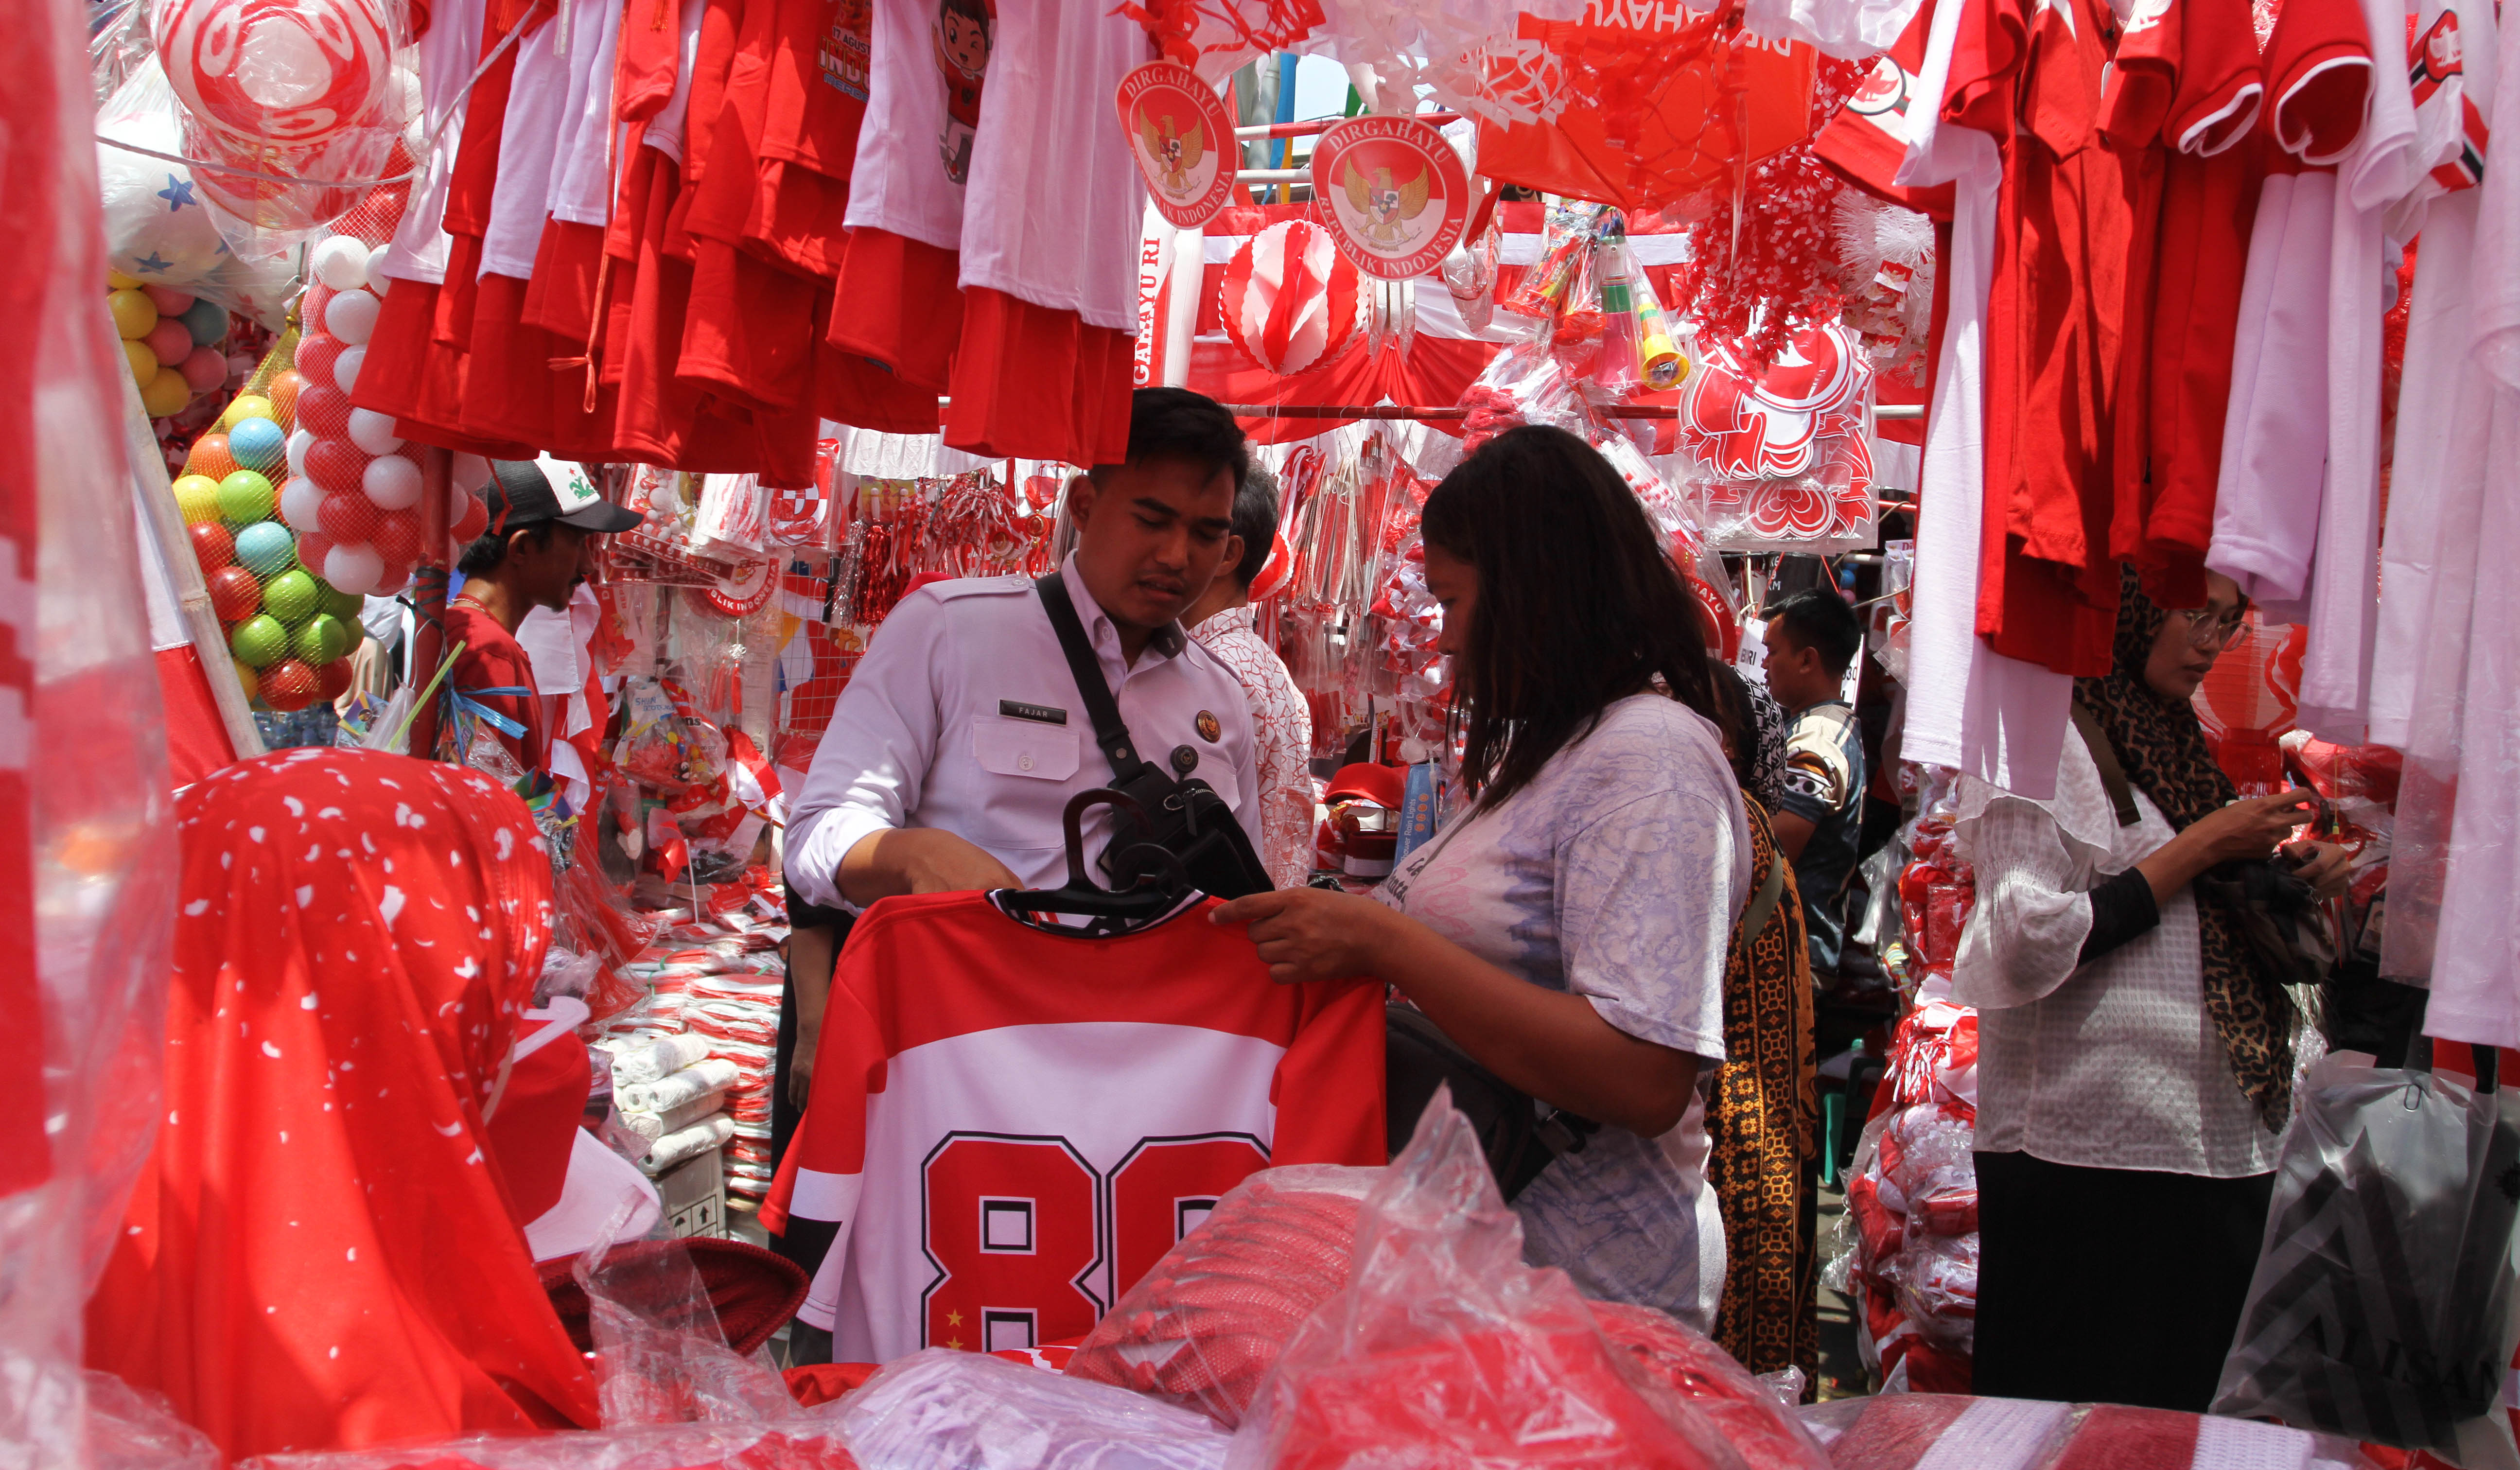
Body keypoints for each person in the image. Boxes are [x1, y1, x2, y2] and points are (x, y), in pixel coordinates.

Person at [1213, 425, 1749, 1332]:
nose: (1447, 638)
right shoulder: (1559, 750)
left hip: (1583, 1292)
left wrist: (1385, 941)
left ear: (1536, 592)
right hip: (1492, 1273)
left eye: (1456, 602)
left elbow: (1643, 1074)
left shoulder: (1647, 762)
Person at [88, 749, 603, 1459]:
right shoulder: (403, 1374)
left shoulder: (71, 1253)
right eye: (497, 988)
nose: (510, 1031)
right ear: (411, 990)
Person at [1954, 568, 2350, 1411]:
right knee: (2072, 1424)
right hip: (2087, 1159)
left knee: (2178, 1425)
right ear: (2127, 609)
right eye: (2192, 616)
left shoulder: (2171, 738)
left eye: (2228, 622)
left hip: (2213, 1147)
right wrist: (2204, 846)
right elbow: (2020, 940)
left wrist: (2280, 875)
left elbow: (2188, 906)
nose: (2210, 641)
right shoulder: (2039, 736)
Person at [784, 386, 1262, 911]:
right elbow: (817, 831)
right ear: (1083, 505)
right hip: (980, 985)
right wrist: (911, 855)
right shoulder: (947, 631)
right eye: (1151, 521)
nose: (1176, 556)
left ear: (1230, 551)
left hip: (1155, 991)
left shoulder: (1222, 699)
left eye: (1205, 534)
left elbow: (1236, 901)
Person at [1702, 660, 1820, 1382]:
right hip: (1761, 1141)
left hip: (1737, 1141)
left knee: (1726, 1374)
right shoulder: (1745, 821)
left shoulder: (1726, 822)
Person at [442, 456, 640, 775]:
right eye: (577, 543)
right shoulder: (489, 651)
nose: (587, 566)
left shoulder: (469, 633)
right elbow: (492, 799)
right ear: (521, 548)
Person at [1182, 464, 1315, 890]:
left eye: (1183, 531)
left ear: (1226, 554)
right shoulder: (1265, 664)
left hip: (1229, 915)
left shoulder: (1208, 669)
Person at [1759, 587, 1868, 974]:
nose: (1765, 665)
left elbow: (1774, 847)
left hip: (1789, 960)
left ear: (1807, 660)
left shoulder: (1817, 738)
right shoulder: (1830, 725)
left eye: (1773, 652)